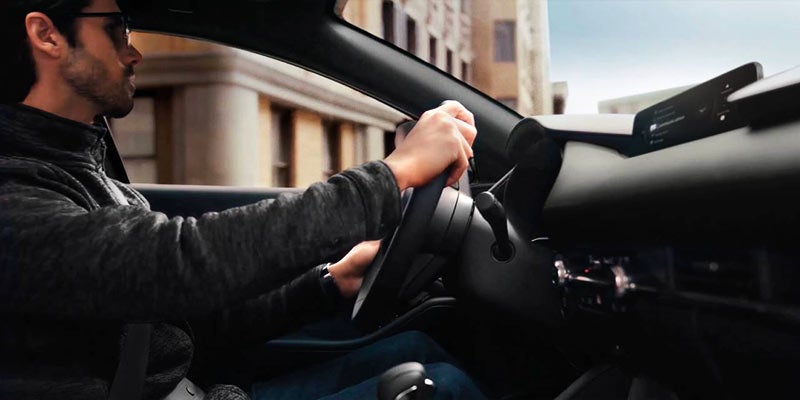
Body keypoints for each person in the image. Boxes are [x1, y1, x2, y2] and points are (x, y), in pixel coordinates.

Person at [0, 0, 484, 399]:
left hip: (195, 387)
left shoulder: (85, 166)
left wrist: (329, 283)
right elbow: (180, 262)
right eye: (118, 29)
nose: (134, 53)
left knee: (420, 349)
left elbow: (186, 322)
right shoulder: (14, 195)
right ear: (47, 34)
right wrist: (393, 173)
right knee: (444, 388)